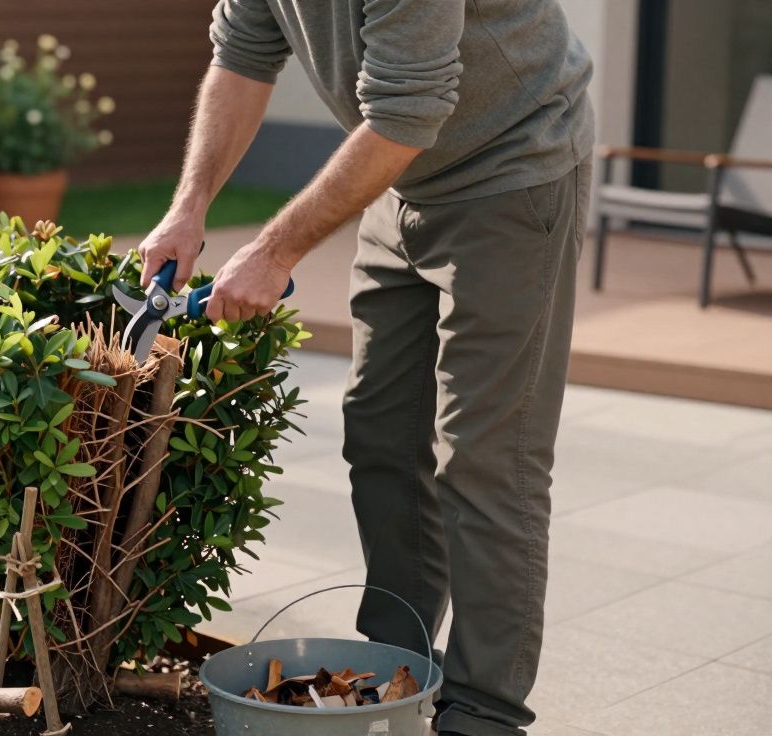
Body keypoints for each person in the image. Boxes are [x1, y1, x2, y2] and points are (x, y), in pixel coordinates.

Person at [136, 2, 594, 734]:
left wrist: (275, 250)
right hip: (402, 176)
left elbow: (409, 110)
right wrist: (188, 207)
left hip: (512, 168)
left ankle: (483, 714)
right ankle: (397, 666)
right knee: (382, 433)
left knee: (487, 458)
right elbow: (244, 53)